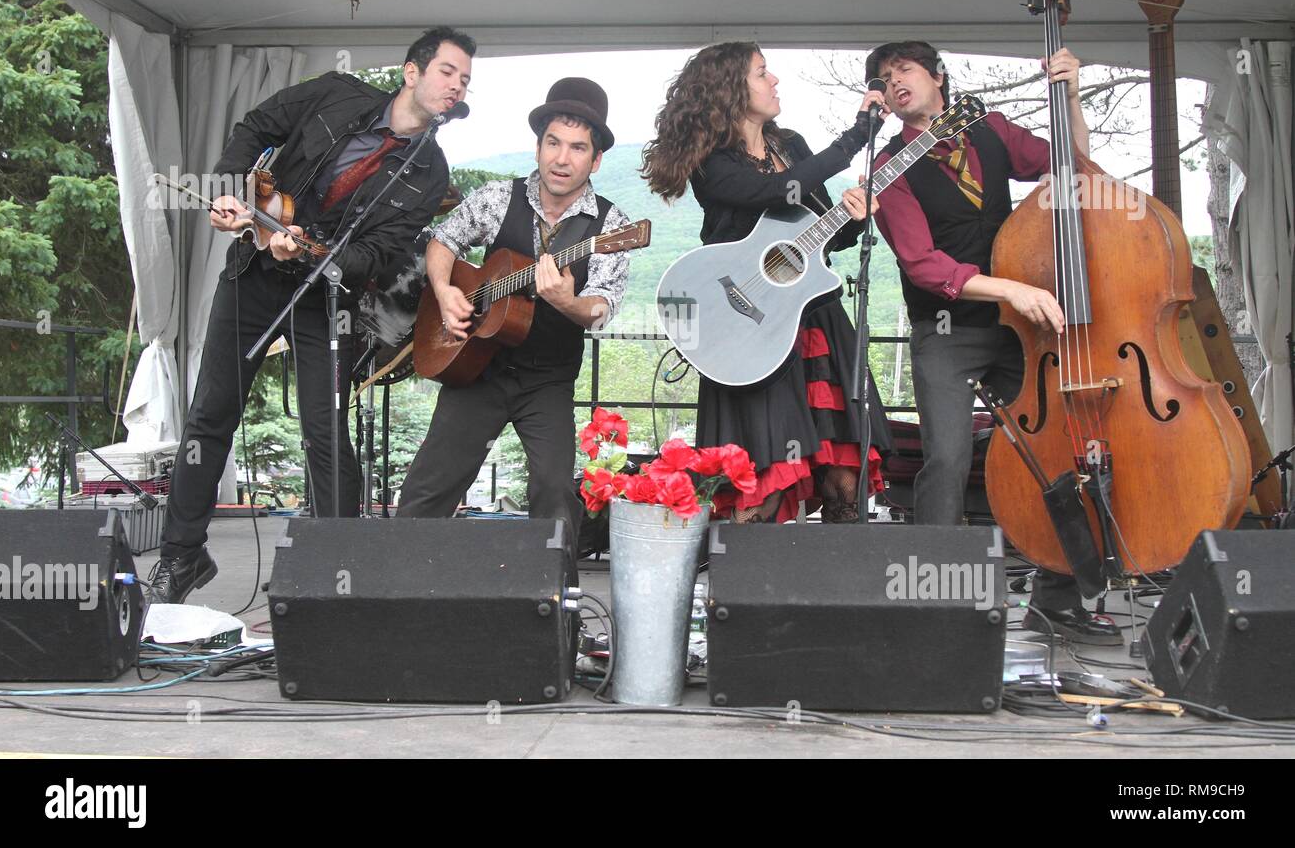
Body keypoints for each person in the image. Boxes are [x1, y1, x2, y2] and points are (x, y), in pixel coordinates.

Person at [148, 27, 475, 604]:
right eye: (448, 71)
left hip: (328, 298)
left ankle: (335, 566)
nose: (457, 84)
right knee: (210, 414)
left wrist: (310, 252)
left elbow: (376, 258)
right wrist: (230, 190)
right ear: (411, 72)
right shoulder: (336, 93)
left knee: (324, 432)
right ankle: (180, 556)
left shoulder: (429, 173)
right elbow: (256, 128)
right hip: (253, 272)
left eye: (466, 79)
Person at [866, 39, 1120, 645]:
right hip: (947, 330)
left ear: (937, 76)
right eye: (883, 76)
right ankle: (933, 601)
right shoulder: (889, 169)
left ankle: (1058, 600)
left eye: (905, 69)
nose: (895, 80)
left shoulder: (992, 130)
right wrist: (1011, 289)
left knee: (1057, 449)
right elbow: (923, 265)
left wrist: (1072, 97)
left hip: (1020, 330)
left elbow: (1073, 166)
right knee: (948, 459)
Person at [642, 42, 892, 523]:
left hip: (813, 315)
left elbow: (819, 237)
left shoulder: (791, 146)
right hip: (749, 330)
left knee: (843, 479)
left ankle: (844, 592)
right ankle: (746, 594)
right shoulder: (712, 161)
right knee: (766, 481)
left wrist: (854, 219)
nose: (774, 80)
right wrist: (858, 136)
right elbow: (777, 191)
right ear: (731, 88)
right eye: (762, 73)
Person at [396, 77, 631, 544]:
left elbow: (601, 309)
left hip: (547, 378)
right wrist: (444, 291)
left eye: (578, 148)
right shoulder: (498, 198)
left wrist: (569, 302)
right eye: (553, 143)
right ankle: (399, 596)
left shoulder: (613, 225)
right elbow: (444, 240)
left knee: (553, 491)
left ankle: (555, 605)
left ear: (596, 159)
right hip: (478, 366)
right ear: (539, 146)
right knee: (428, 487)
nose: (562, 159)